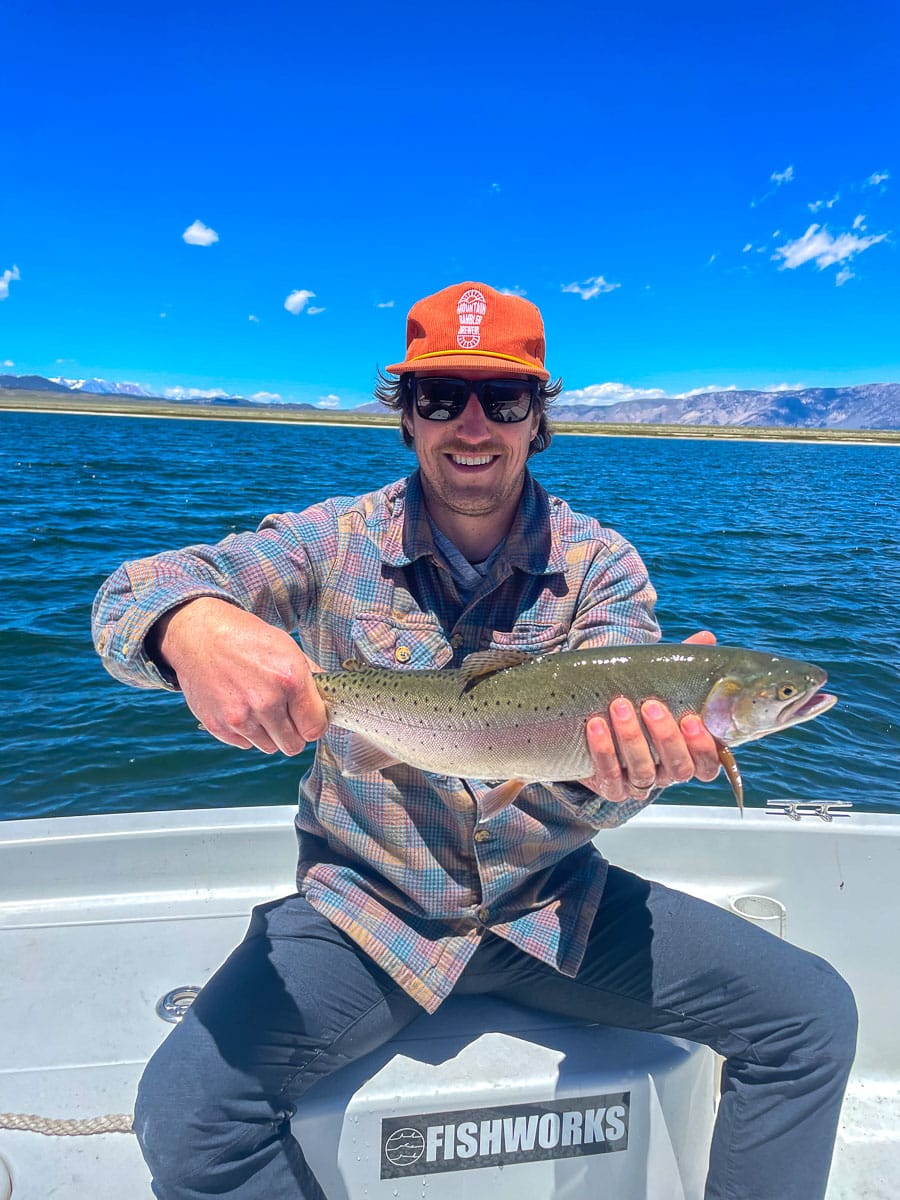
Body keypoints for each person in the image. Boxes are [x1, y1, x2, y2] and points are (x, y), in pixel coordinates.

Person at [92, 281, 856, 1200]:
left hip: (557, 910)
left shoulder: (599, 567)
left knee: (811, 1015)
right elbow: (130, 592)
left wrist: (628, 777)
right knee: (188, 1114)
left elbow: (601, 764)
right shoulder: (330, 544)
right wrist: (192, 627)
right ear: (405, 416)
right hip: (365, 917)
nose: (472, 424)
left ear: (538, 418)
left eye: (503, 399)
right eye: (439, 396)